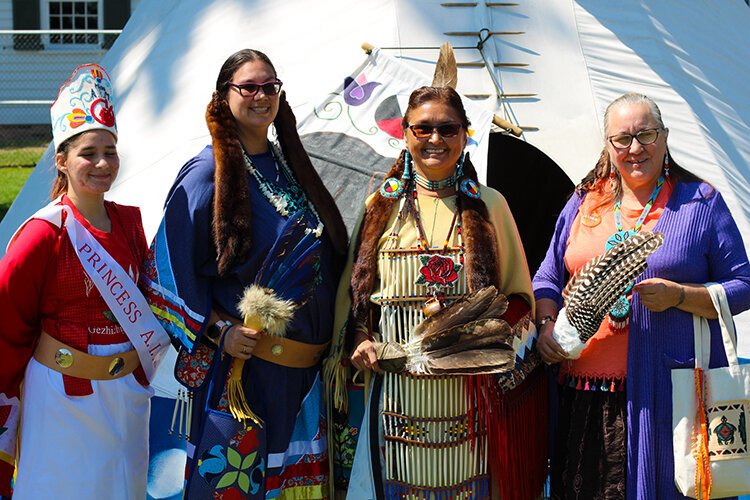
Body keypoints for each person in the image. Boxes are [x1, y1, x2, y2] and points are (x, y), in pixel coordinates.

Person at [142, 49, 347, 499]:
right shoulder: (206, 173)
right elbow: (163, 273)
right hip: (248, 381)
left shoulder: (290, 167)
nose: (260, 96)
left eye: (269, 86)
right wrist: (217, 330)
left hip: (304, 385)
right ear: (223, 97)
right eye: (248, 87)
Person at [324, 86, 547, 499]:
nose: (435, 139)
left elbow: (519, 299)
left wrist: (480, 332)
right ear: (405, 134)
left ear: (465, 135)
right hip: (395, 394)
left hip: (469, 394)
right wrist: (359, 341)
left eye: (447, 128)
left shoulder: (490, 205)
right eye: (423, 128)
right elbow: (356, 301)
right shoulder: (381, 206)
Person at [533, 92, 750, 499]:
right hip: (585, 398)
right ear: (608, 144)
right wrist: (546, 325)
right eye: (622, 139)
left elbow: (743, 284)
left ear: (665, 137)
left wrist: (679, 296)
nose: (635, 148)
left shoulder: (699, 203)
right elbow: (546, 278)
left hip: (669, 396)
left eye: (646, 134)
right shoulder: (585, 202)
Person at [0, 64, 158, 498]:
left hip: (125, 400)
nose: (103, 163)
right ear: (62, 160)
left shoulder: (129, 224)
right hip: (62, 402)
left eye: (110, 150)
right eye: (89, 153)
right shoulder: (40, 235)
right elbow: (7, 328)